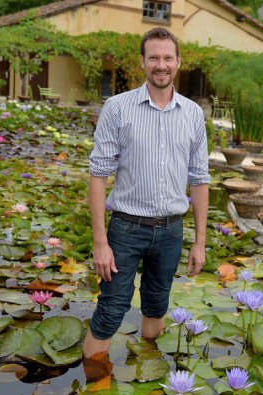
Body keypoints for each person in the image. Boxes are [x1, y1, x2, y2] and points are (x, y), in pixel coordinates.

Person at [84, 27, 210, 370]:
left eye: (168, 57)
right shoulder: (118, 108)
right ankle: (95, 393)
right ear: (142, 62)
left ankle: (148, 382)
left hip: (171, 231)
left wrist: (199, 242)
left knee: (157, 305)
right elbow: (98, 176)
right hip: (125, 229)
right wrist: (100, 242)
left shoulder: (193, 114)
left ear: (178, 62)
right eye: (154, 57)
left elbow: (199, 181)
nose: (161, 64)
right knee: (110, 310)